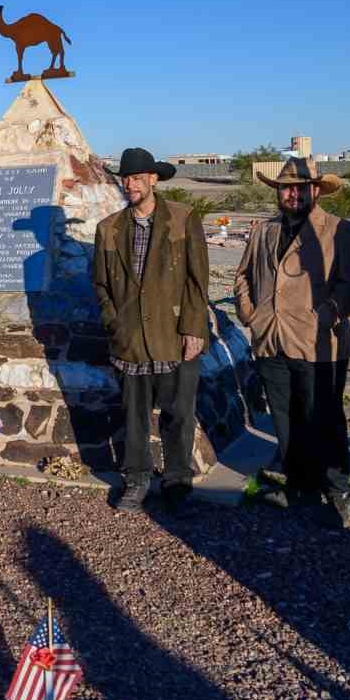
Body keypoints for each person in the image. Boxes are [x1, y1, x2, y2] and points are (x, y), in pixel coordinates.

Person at [234, 158, 350, 525]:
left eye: (300, 187)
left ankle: (337, 491)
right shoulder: (265, 230)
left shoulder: (339, 230)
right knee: (284, 417)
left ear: (316, 190)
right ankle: (300, 486)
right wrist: (250, 313)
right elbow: (243, 275)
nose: (293, 194)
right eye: (286, 187)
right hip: (270, 338)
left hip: (319, 343)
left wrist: (323, 316)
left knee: (325, 419)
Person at [91, 149, 210, 513]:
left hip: (174, 335)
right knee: (134, 417)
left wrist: (194, 328)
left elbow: (197, 280)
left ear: (154, 179)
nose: (131, 184)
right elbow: (101, 284)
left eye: (138, 178)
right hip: (129, 339)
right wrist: (113, 322)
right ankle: (136, 480)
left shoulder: (182, 218)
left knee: (178, 414)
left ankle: (177, 484)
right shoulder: (108, 228)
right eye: (126, 178)